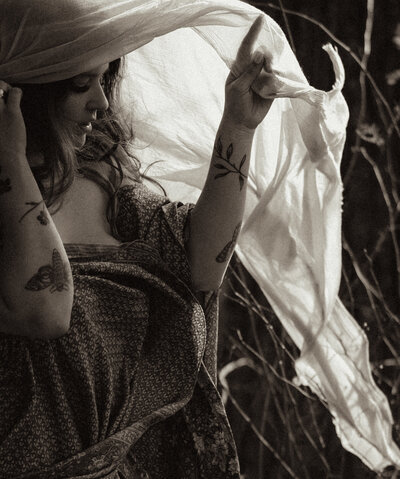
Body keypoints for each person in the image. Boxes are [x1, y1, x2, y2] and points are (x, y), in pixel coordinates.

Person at [0, 6, 273, 477]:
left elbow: (203, 265)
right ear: (26, 94)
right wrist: (8, 158)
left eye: (105, 80)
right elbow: (46, 310)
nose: (102, 104)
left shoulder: (103, 178)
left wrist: (239, 125)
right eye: (80, 85)